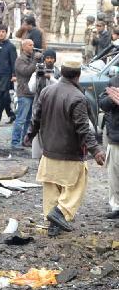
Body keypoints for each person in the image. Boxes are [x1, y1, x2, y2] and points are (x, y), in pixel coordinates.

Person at [25, 56, 105, 236]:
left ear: (61, 72)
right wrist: (96, 150)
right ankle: (60, 213)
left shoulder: (47, 91)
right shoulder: (77, 97)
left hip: (49, 149)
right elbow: (83, 128)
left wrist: (29, 134)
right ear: (78, 75)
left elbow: (36, 117)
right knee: (76, 185)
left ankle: (53, 225)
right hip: (70, 152)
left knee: (52, 187)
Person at [11, 39, 38, 151]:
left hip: (32, 93)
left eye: (33, 44)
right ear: (23, 47)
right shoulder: (19, 60)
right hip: (24, 94)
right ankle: (15, 142)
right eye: (30, 45)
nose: (32, 47)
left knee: (29, 120)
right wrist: (35, 61)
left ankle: (25, 140)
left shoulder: (32, 59)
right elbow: (26, 72)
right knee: (20, 119)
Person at [99, 75, 119, 220]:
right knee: (114, 175)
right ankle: (117, 206)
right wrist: (112, 98)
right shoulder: (114, 81)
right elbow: (102, 104)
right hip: (116, 137)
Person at [0, 25, 16, 126]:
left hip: (7, 76)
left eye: (3, 32)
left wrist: (14, 75)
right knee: (5, 98)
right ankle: (11, 114)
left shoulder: (11, 46)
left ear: (6, 33)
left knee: (0, 97)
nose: (1, 33)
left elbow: (14, 62)